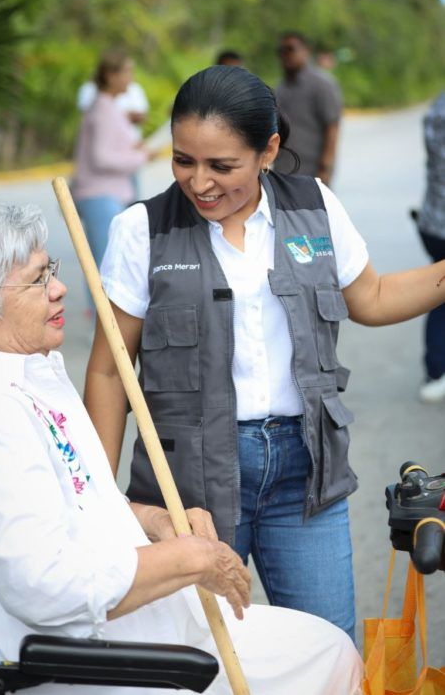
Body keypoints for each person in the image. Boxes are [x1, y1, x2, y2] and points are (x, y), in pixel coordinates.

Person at [0, 196, 363, 695]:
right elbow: (46, 586)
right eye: (37, 280)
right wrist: (191, 560)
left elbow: (72, 502)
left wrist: (155, 521)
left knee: (328, 647)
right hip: (85, 664)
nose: (59, 289)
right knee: (323, 662)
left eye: (50, 269)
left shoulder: (27, 373)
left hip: (131, 630)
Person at [84, 65, 445, 642]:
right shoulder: (139, 232)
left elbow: (372, 297)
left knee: (328, 651)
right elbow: (107, 370)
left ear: (268, 150)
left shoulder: (313, 206)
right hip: (188, 491)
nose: (199, 182)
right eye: (183, 160)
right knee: (200, 661)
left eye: (221, 165)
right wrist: (99, 500)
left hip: (305, 478)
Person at [72, 49, 153, 312]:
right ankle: (104, 331)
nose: (131, 77)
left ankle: (105, 328)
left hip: (106, 194)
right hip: (100, 195)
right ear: (110, 75)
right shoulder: (104, 109)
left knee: (106, 265)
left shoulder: (106, 106)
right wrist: (140, 157)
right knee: (105, 268)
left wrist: (135, 149)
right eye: (127, 71)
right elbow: (102, 158)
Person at [273, 31, 342, 186]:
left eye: (290, 49)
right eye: (281, 51)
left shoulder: (322, 85)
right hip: (283, 169)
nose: (285, 55)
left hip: (312, 171)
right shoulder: (281, 88)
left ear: (306, 51)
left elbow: (332, 126)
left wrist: (326, 167)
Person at [415, 92, 445, 402]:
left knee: (440, 296)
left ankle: (435, 371)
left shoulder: (437, 105)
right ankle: (437, 372)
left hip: (433, 219)